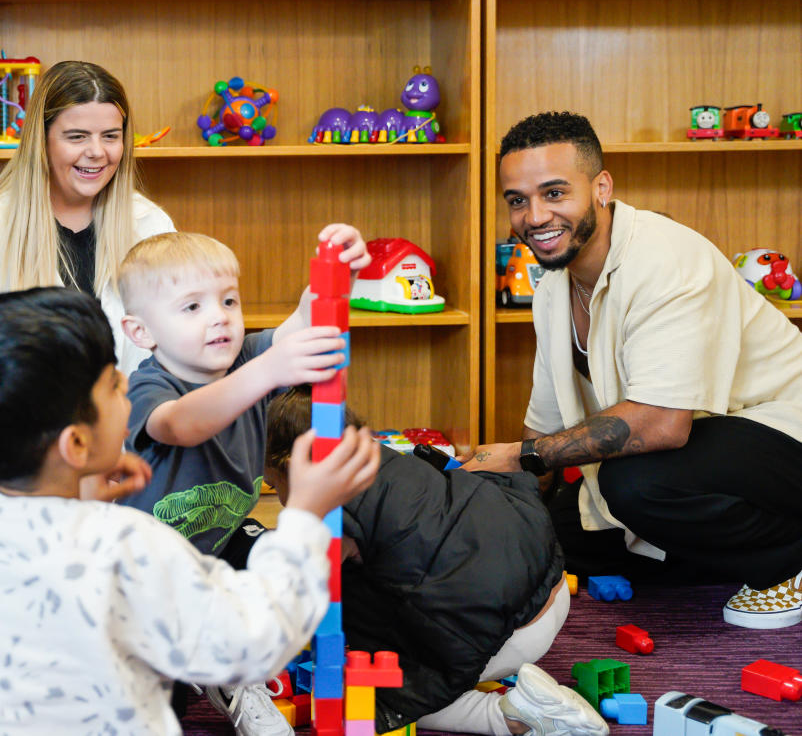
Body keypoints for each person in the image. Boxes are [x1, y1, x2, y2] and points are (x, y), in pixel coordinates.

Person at [0, 287, 380, 735]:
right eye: (111, 384)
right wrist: (307, 517)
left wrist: (79, 493)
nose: (127, 384)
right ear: (77, 444)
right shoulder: (127, 544)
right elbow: (250, 641)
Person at [461, 110, 802, 630]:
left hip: (780, 434)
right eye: (517, 200)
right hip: (702, 451)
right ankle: (713, 557)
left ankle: (787, 564)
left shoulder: (665, 259)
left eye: (554, 193)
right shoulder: (553, 284)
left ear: (601, 187)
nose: (534, 217)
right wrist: (498, 508)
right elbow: (544, 429)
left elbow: (663, 424)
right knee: (557, 536)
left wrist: (518, 455)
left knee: (635, 485)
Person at [115, 228, 368, 734]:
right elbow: (182, 424)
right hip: (142, 568)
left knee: (300, 566)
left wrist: (339, 273)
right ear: (142, 332)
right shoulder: (150, 385)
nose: (219, 317)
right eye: (192, 308)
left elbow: (304, 325)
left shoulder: (248, 357)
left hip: (221, 539)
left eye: (229, 300)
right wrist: (269, 371)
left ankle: (237, 672)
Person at [265, 388, 606, 736]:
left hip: (513, 631)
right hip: (550, 583)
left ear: (294, 468)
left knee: (386, 697)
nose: (275, 494)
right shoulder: (384, 459)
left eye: (274, 484)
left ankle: (513, 714)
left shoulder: (329, 512)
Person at [0, 60, 175, 484]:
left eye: (111, 136)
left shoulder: (151, 226)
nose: (97, 152)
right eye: (76, 136)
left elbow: (174, 357)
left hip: (134, 474)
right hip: (21, 482)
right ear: (41, 141)